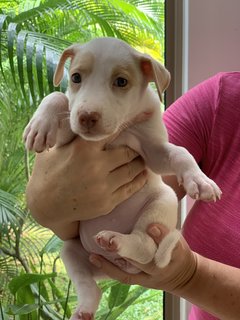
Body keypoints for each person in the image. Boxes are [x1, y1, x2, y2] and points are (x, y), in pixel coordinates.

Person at [26, 72, 240, 320]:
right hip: (98, 247)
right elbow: (103, 182)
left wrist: (191, 276)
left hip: (135, 244)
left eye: (121, 83)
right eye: (76, 77)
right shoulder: (224, 98)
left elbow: (160, 160)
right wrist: (46, 203)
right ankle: (88, 291)